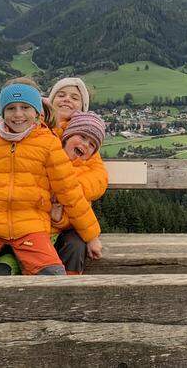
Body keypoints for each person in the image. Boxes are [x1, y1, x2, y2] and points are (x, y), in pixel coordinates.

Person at [0, 78, 102, 276]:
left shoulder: (48, 144)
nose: (18, 115)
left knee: (52, 276)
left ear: (37, 112)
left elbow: (70, 193)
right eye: (11, 108)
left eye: (25, 107)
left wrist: (91, 236)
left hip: (31, 228)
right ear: (2, 112)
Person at [49, 110, 108, 274]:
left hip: (67, 227)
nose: (85, 144)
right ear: (66, 136)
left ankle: (71, 289)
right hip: (35, 226)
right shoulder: (48, 155)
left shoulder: (85, 169)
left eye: (91, 145)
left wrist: (60, 219)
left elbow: (81, 208)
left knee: (75, 245)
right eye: (82, 137)